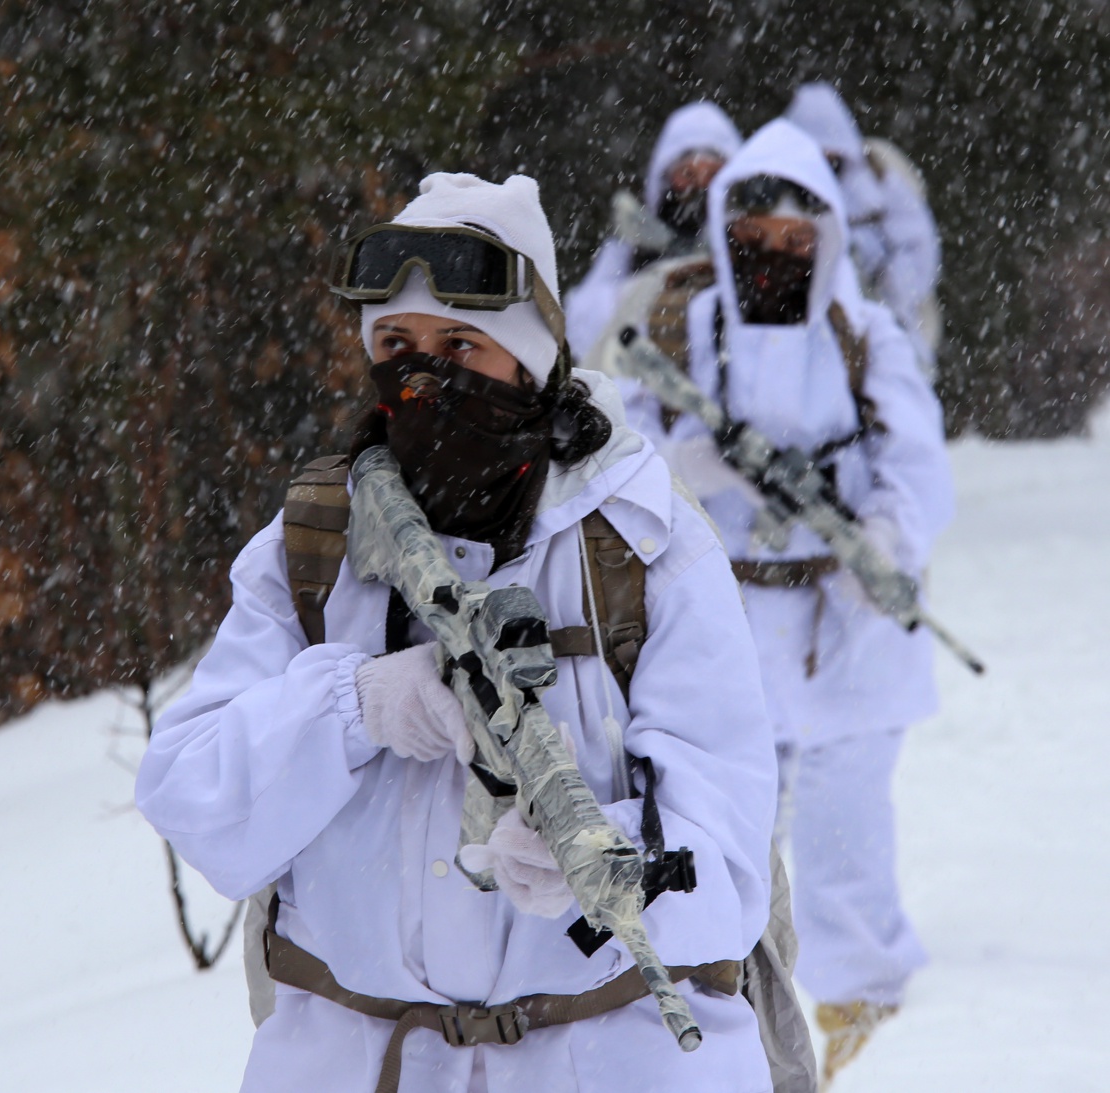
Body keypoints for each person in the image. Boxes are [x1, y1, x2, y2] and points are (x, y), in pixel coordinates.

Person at [136, 172, 781, 1093]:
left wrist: (603, 859)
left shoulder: (645, 548)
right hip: (357, 1060)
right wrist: (356, 705)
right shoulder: (316, 544)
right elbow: (193, 798)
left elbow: (727, 871)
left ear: (529, 359)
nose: (424, 373)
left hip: (607, 1058)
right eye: (395, 343)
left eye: (461, 344)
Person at [615, 121, 954, 1084]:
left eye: (799, 245)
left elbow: (917, 467)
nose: (777, 260)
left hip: (844, 625)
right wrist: (691, 462)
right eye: (757, 240)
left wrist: (879, 539)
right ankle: (731, 1017)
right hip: (721, 621)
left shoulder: (864, 331)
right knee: (723, 834)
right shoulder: (684, 325)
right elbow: (620, 455)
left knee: (846, 832)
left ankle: (870, 1010)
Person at [565, 101, 742, 363]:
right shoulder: (632, 242)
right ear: (666, 175)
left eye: (712, 174)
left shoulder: (744, 239)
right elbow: (579, 320)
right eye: (687, 173)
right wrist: (643, 295)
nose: (700, 186)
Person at [784, 82, 942, 374]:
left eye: (832, 155)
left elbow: (919, 243)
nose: (826, 163)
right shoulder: (782, 195)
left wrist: (888, 284)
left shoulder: (876, 183)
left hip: (881, 314)